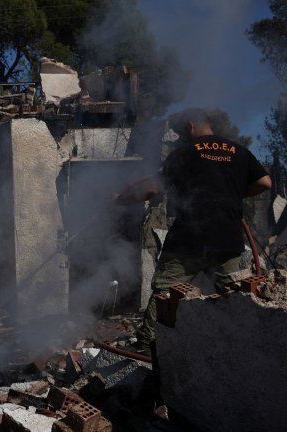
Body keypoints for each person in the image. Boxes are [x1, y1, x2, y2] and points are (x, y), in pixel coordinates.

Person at [115, 108, 272, 346]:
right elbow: (265, 182)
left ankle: (148, 343)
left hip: (189, 238)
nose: (179, 138)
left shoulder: (185, 152)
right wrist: (234, 195)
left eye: (179, 133)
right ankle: (248, 341)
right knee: (234, 293)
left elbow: (153, 188)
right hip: (227, 238)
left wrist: (121, 198)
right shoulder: (239, 151)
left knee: (165, 291)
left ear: (190, 126)